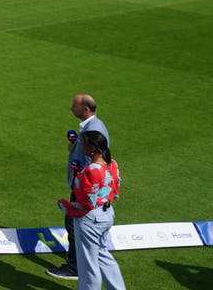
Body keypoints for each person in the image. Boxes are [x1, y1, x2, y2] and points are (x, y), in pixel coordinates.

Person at [48, 94, 111, 281]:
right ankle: (79, 261)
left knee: (73, 223)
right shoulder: (93, 126)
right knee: (74, 224)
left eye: (74, 106)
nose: (71, 109)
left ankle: (74, 267)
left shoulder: (93, 130)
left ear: (85, 110)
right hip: (84, 185)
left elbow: (96, 159)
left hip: (85, 187)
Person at [58, 130, 125, 290]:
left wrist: (66, 207)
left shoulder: (92, 170)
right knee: (103, 256)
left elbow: (86, 203)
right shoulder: (112, 164)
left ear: (93, 148)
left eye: (84, 144)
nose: (81, 146)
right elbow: (115, 192)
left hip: (90, 218)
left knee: (88, 265)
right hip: (107, 214)